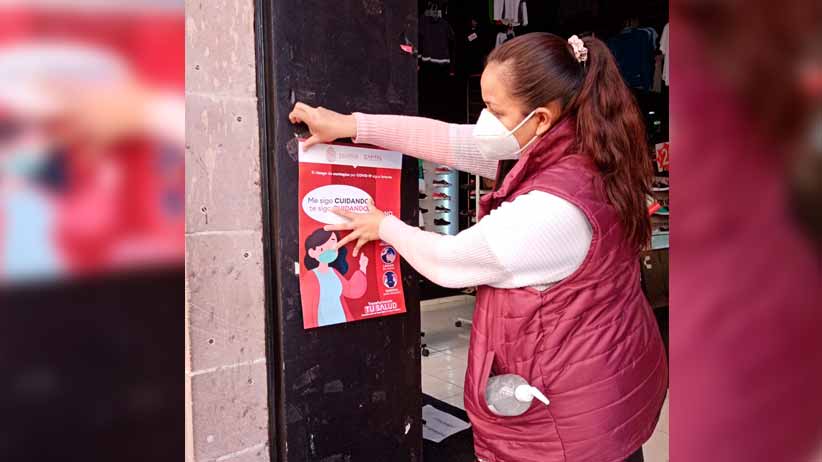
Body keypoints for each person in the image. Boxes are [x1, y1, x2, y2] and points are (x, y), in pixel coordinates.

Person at [290, 33, 667, 462]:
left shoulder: (552, 208)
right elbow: (450, 140)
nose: (484, 119)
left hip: (568, 421)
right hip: (605, 377)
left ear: (541, 117)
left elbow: (450, 263)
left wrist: (385, 226)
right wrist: (352, 126)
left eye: (494, 109)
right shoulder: (581, 147)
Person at [301, 228, 368, 328]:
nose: (329, 252)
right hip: (322, 326)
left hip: (342, 321)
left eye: (333, 247)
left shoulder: (334, 272)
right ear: (312, 252)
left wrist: (362, 267)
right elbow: (308, 309)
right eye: (322, 249)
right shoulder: (310, 277)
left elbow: (351, 290)